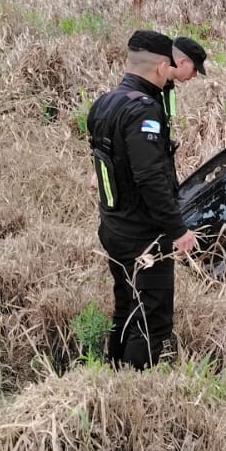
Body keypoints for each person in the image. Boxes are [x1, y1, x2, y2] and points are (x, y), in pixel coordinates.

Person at [87, 30, 197, 369]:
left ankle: (113, 372)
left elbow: (104, 156)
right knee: (152, 319)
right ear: (162, 67)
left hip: (113, 226)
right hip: (142, 235)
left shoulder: (105, 102)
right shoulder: (144, 111)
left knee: (126, 306)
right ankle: (133, 383)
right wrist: (178, 230)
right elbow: (150, 179)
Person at [162, 35, 208, 135]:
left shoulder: (169, 87)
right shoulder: (151, 87)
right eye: (195, 69)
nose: (195, 74)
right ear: (182, 62)